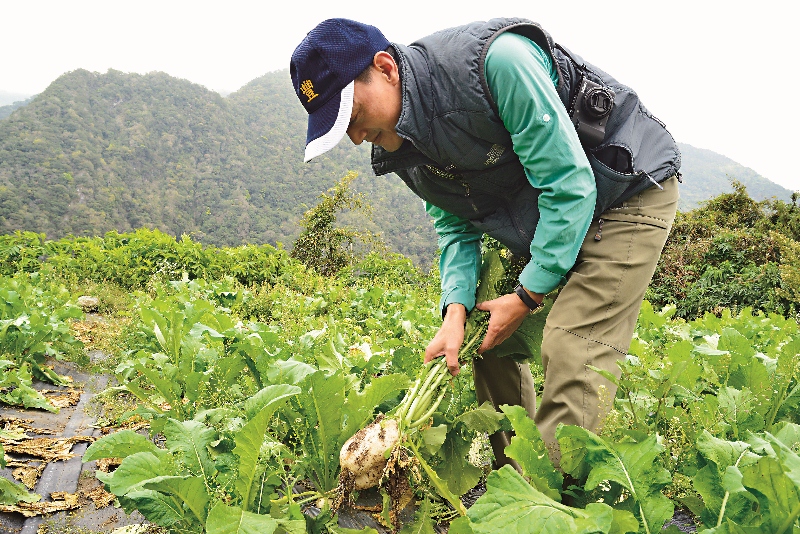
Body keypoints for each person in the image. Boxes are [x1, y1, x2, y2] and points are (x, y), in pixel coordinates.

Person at [290, 17, 680, 469]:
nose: (356, 137)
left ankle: (552, 504)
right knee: (484, 335)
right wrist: (454, 311)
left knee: (573, 345)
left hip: (625, 187)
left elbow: (569, 183)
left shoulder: (498, 64)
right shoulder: (400, 143)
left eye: (353, 116)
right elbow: (456, 225)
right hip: (545, 208)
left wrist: (528, 294)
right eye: (343, 130)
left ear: (385, 67)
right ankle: (514, 481)